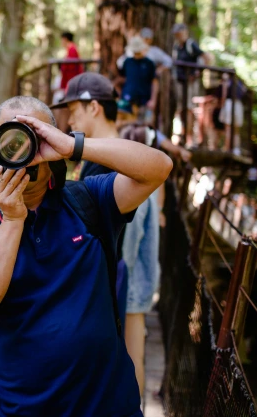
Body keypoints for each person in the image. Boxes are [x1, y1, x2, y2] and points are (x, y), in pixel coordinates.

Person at [0, 94, 173, 417]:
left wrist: (73, 146)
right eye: (10, 140)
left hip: (107, 406)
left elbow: (159, 168)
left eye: (34, 136)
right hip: (15, 410)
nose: (22, 150)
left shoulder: (89, 200)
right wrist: (13, 221)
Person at [58, 74, 167, 402]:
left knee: (126, 359)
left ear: (94, 107)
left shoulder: (110, 167)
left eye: (74, 109)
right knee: (132, 352)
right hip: (132, 282)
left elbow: (117, 249)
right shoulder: (119, 159)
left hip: (121, 282)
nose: (70, 118)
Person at [172, 24, 208, 146]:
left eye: (179, 33)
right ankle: (182, 135)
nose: (177, 36)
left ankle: (190, 138)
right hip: (180, 82)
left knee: (189, 109)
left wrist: (197, 73)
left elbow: (206, 57)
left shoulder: (191, 45)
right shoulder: (177, 47)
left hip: (190, 83)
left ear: (184, 32)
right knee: (181, 109)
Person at [119, 36, 158, 123]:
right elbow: (122, 78)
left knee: (144, 126)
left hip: (144, 101)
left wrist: (153, 100)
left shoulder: (149, 63)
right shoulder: (127, 62)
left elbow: (154, 82)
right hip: (127, 100)